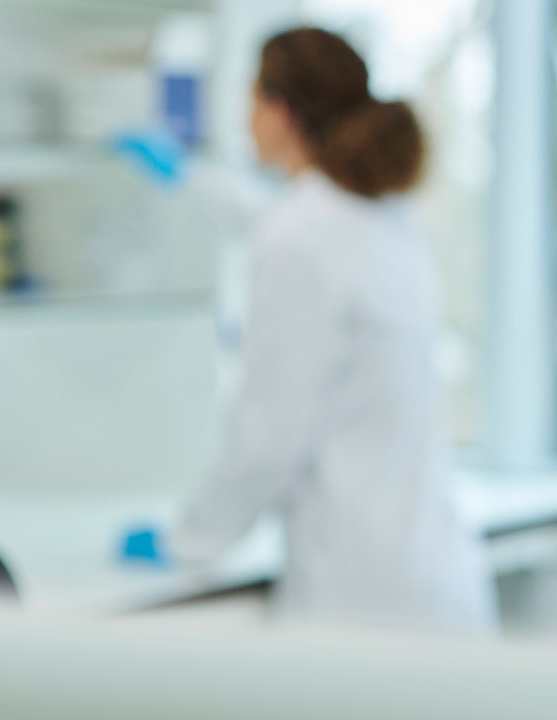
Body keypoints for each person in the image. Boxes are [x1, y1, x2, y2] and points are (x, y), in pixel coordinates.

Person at [169, 28, 494, 632]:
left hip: (360, 601)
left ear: (280, 112)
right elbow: (276, 220)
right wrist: (190, 179)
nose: (245, 119)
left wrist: (190, 539)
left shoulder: (299, 236)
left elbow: (264, 436)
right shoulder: (387, 219)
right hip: (437, 582)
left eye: (251, 99)